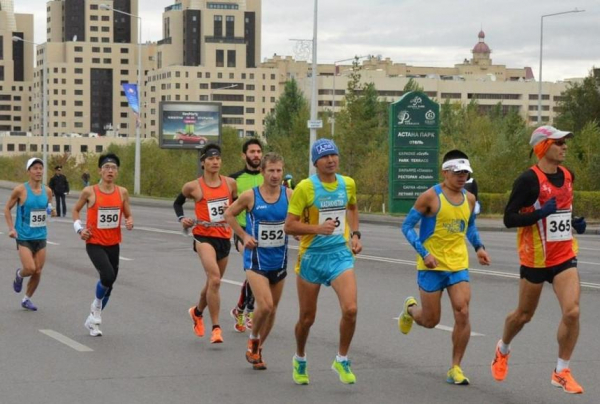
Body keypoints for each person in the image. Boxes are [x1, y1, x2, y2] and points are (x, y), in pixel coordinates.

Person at [491, 126, 587, 394]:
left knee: (573, 311)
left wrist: (573, 221)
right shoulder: (528, 181)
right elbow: (509, 219)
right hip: (535, 259)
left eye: (565, 142)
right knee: (523, 316)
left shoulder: (568, 175)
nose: (564, 146)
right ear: (543, 147)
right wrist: (540, 214)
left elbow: (563, 209)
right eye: (558, 143)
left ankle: (561, 370)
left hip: (564, 255)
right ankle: (503, 349)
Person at [399, 149, 491, 386]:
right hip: (431, 265)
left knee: (462, 311)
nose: (462, 177)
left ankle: (455, 367)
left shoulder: (469, 199)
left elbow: (469, 226)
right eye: (458, 173)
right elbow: (407, 227)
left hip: (458, 264)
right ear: (445, 172)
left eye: (465, 173)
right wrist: (425, 253)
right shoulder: (430, 197)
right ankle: (410, 310)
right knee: (430, 321)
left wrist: (479, 247)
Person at [284, 138, 362, 385]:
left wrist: (356, 234)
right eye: (325, 157)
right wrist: (317, 228)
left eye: (334, 155)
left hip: (339, 254)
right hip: (311, 257)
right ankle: (300, 357)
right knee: (307, 318)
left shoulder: (347, 183)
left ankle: (341, 358)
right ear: (315, 162)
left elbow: (352, 207)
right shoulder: (305, 188)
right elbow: (289, 225)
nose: (331, 160)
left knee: (350, 309)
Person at [224, 152, 292, 370]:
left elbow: (298, 221)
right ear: (262, 172)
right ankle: (253, 339)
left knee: (272, 310)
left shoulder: (290, 195)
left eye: (278, 170)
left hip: (279, 261)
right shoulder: (250, 196)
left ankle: (258, 348)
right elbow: (229, 214)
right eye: (270, 170)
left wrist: (300, 232)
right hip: (255, 261)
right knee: (266, 305)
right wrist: (244, 236)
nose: (275, 175)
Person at [174, 144, 237, 344]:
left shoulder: (230, 184)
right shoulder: (193, 186)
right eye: (210, 159)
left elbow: (237, 206)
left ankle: (197, 312)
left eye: (218, 158)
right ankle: (216, 328)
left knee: (212, 283)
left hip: (224, 237)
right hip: (203, 236)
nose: (215, 162)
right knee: (215, 280)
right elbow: (178, 203)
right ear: (203, 163)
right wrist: (182, 218)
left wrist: (237, 220)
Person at [72, 153, 134, 336]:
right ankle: (96, 308)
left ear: (117, 171)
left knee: (110, 284)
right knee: (107, 276)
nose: (110, 171)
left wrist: (129, 221)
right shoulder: (89, 191)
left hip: (113, 243)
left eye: (113, 168)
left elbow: (128, 214)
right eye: (106, 167)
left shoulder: (122, 192)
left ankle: (92, 322)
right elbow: (75, 210)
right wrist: (79, 229)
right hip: (94, 243)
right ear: (100, 170)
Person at [4, 158, 56, 311]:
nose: (39, 171)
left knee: (38, 270)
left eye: (41, 168)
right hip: (24, 236)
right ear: (29, 171)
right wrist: (11, 228)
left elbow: (48, 210)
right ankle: (20, 274)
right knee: (30, 268)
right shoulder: (20, 190)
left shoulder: (47, 191)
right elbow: (7, 209)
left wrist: (52, 212)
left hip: (41, 235)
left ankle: (26, 299)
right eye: (35, 168)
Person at [228, 138, 264, 333]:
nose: (256, 155)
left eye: (259, 151)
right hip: (243, 232)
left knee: (259, 272)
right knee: (255, 270)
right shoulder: (235, 180)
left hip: (265, 233)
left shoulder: (269, 176)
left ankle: (240, 308)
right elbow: (228, 208)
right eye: (252, 152)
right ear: (244, 155)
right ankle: (249, 311)